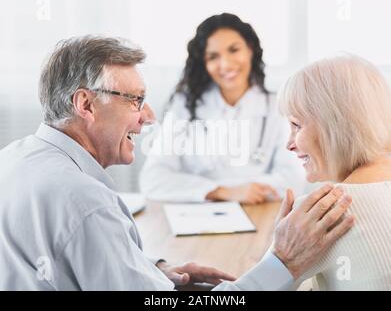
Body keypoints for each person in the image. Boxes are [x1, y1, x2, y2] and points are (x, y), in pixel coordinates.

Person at [0, 36, 353, 290]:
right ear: (86, 105)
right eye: (135, 101)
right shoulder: (84, 201)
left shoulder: (13, 159)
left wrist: (154, 270)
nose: (148, 117)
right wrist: (283, 263)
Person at [140, 13, 305, 204]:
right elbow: (153, 179)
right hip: (198, 218)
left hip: (260, 216)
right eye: (213, 56)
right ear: (204, 63)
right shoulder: (184, 107)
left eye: (234, 50)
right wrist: (222, 191)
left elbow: (293, 180)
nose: (225, 64)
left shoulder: (277, 107)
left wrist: (240, 190)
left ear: (250, 49)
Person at [278, 55, 391, 290]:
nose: (289, 143)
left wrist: (276, 255)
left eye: (296, 125)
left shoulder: (323, 213)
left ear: (334, 124)